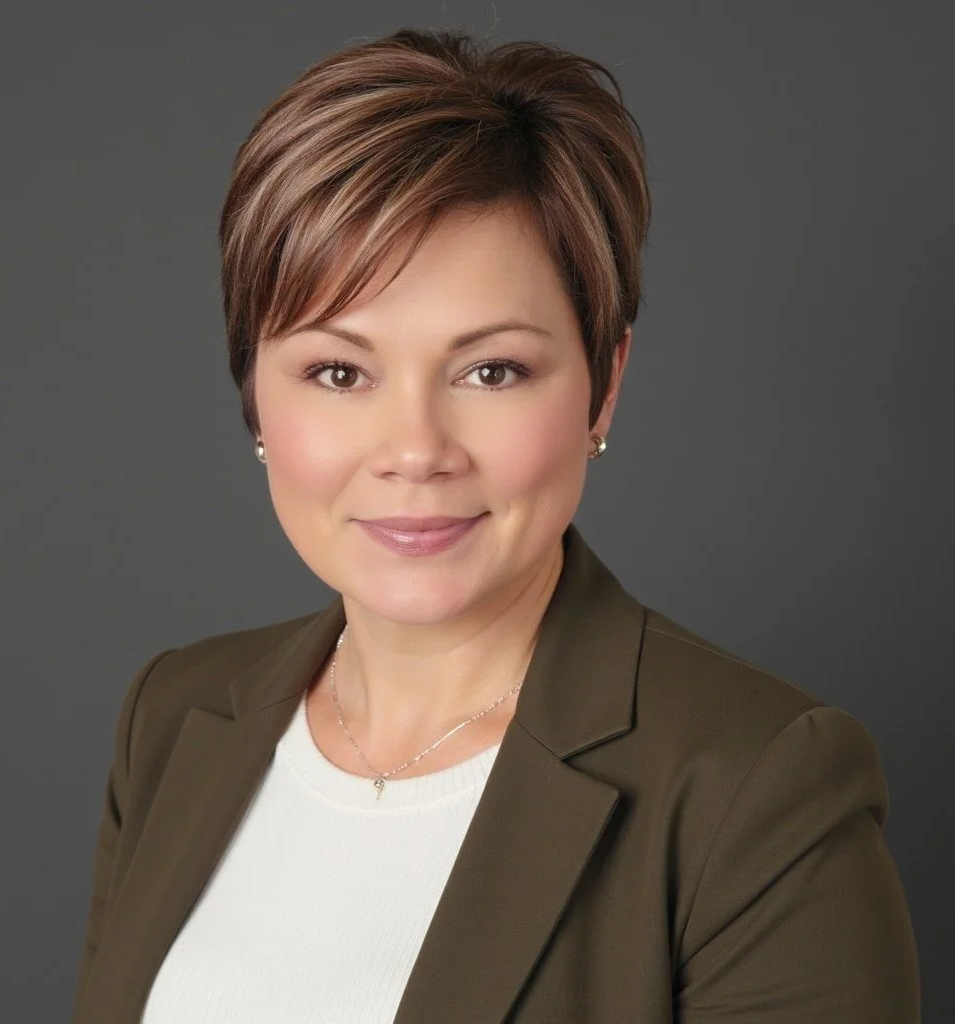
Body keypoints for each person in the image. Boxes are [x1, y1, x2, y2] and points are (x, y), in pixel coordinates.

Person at [71, 27, 920, 1024]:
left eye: (491, 370)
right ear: (254, 393)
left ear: (603, 384)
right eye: (338, 372)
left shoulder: (759, 788)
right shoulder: (174, 717)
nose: (415, 449)